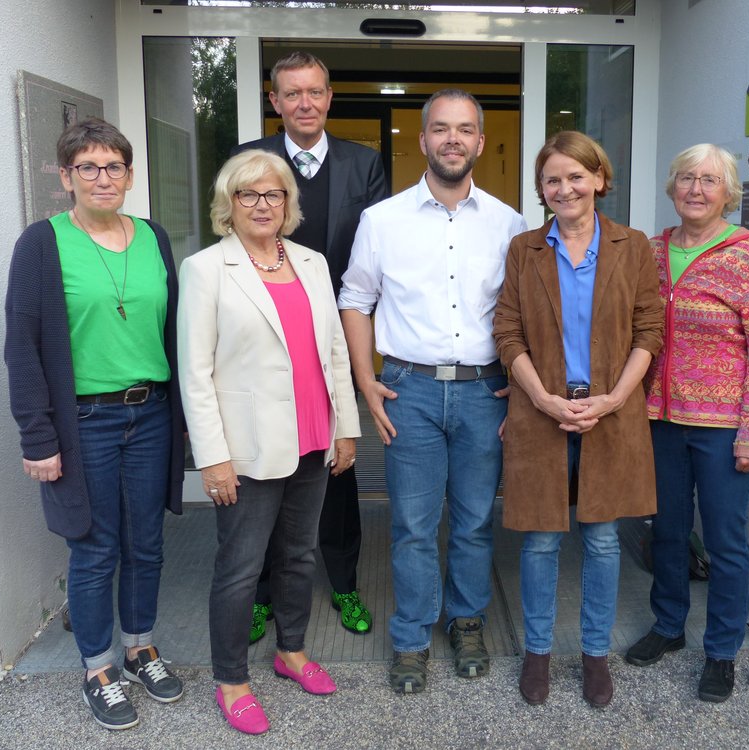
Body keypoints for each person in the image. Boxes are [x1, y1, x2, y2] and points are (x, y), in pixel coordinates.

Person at [339, 89, 527, 694]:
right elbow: (355, 299)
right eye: (441, 129)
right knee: (414, 525)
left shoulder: (510, 223)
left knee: (474, 521)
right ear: (422, 141)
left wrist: (522, 392)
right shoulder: (382, 220)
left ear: (478, 141)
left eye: (465, 129)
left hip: (483, 391)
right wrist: (366, 378)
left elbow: (526, 314)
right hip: (408, 390)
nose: (453, 139)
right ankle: (412, 637)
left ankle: (466, 619)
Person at [4, 118, 185, 730]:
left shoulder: (154, 237)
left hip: (151, 412)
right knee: (93, 545)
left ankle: (139, 648)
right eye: (88, 167)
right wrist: (37, 435)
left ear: (130, 176)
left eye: (114, 167)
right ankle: (99, 666)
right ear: (66, 177)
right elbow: (21, 347)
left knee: (147, 542)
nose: (102, 178)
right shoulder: (42, 242)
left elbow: (169, 330)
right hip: (85, 422)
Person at [178, 149, 360, 735]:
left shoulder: (310, 261)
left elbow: (334, 351)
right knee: (239, 567)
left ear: (288, 203)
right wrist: (213, 457)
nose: (263, 204)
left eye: (274, 194)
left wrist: (346, 427)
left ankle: (291, 651)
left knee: (300, 555)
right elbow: (195, 371)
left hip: (313, 435)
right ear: (229, 205)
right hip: (248, 447)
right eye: (249, 194)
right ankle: (232, 680)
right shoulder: (207, 269)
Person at [492, 131, 664, 707]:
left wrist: (614, 398)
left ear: (598, 179)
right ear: (541, 190)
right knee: (540, 541)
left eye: (574, 176)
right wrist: (540, 397)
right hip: (541, 411)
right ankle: (537, 654)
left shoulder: (633, 245)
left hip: (610, 413)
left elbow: (649, 330)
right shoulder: (524, 250)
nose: (564, 188)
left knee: (603, 540)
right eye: (551, 179)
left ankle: (595, 655)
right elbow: (507, 332)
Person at [233, 51, 387, 638]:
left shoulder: (363, 164)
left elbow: (371, 260)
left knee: (339, 464)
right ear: (275, 101)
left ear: (329, 97)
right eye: (292, 93)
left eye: (315, 92)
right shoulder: (250, 161)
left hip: (333, 338)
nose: (305, 103)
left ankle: (344, 582)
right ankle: (263, 593)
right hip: (265, 337)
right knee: (268, 466)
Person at [623, 144, 749, 703]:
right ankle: (667, 626)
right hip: (657, 420)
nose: (696, 189)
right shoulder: (650, 250)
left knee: (724, 540)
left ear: (727, 192)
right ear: (671, 187)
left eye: (709, 180)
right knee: (665, 531)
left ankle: (721, 651)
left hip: (723, 427)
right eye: (686, 178)